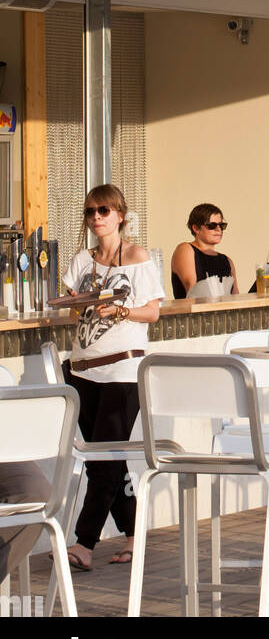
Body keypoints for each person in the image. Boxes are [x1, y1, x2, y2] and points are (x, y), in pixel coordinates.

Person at [61, 184, 163, 570]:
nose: (97, 218)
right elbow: (73, 306)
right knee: (105, 459)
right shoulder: (82, 261)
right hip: (83, 369)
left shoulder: (137, 258)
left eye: (104, 210)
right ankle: (135, 531)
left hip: (123, 369)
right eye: (91, 212)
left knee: (103, 459)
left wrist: (120, 312)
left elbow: (153, 312)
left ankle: (83, 544)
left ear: (121, 214)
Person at [171, 203, 238, 299]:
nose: (218, 229)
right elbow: (193, 292)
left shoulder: (227, 260)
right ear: (196, 228)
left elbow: (235, 296)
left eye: (221, 225)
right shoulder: (186, 249)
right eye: (212, 226)